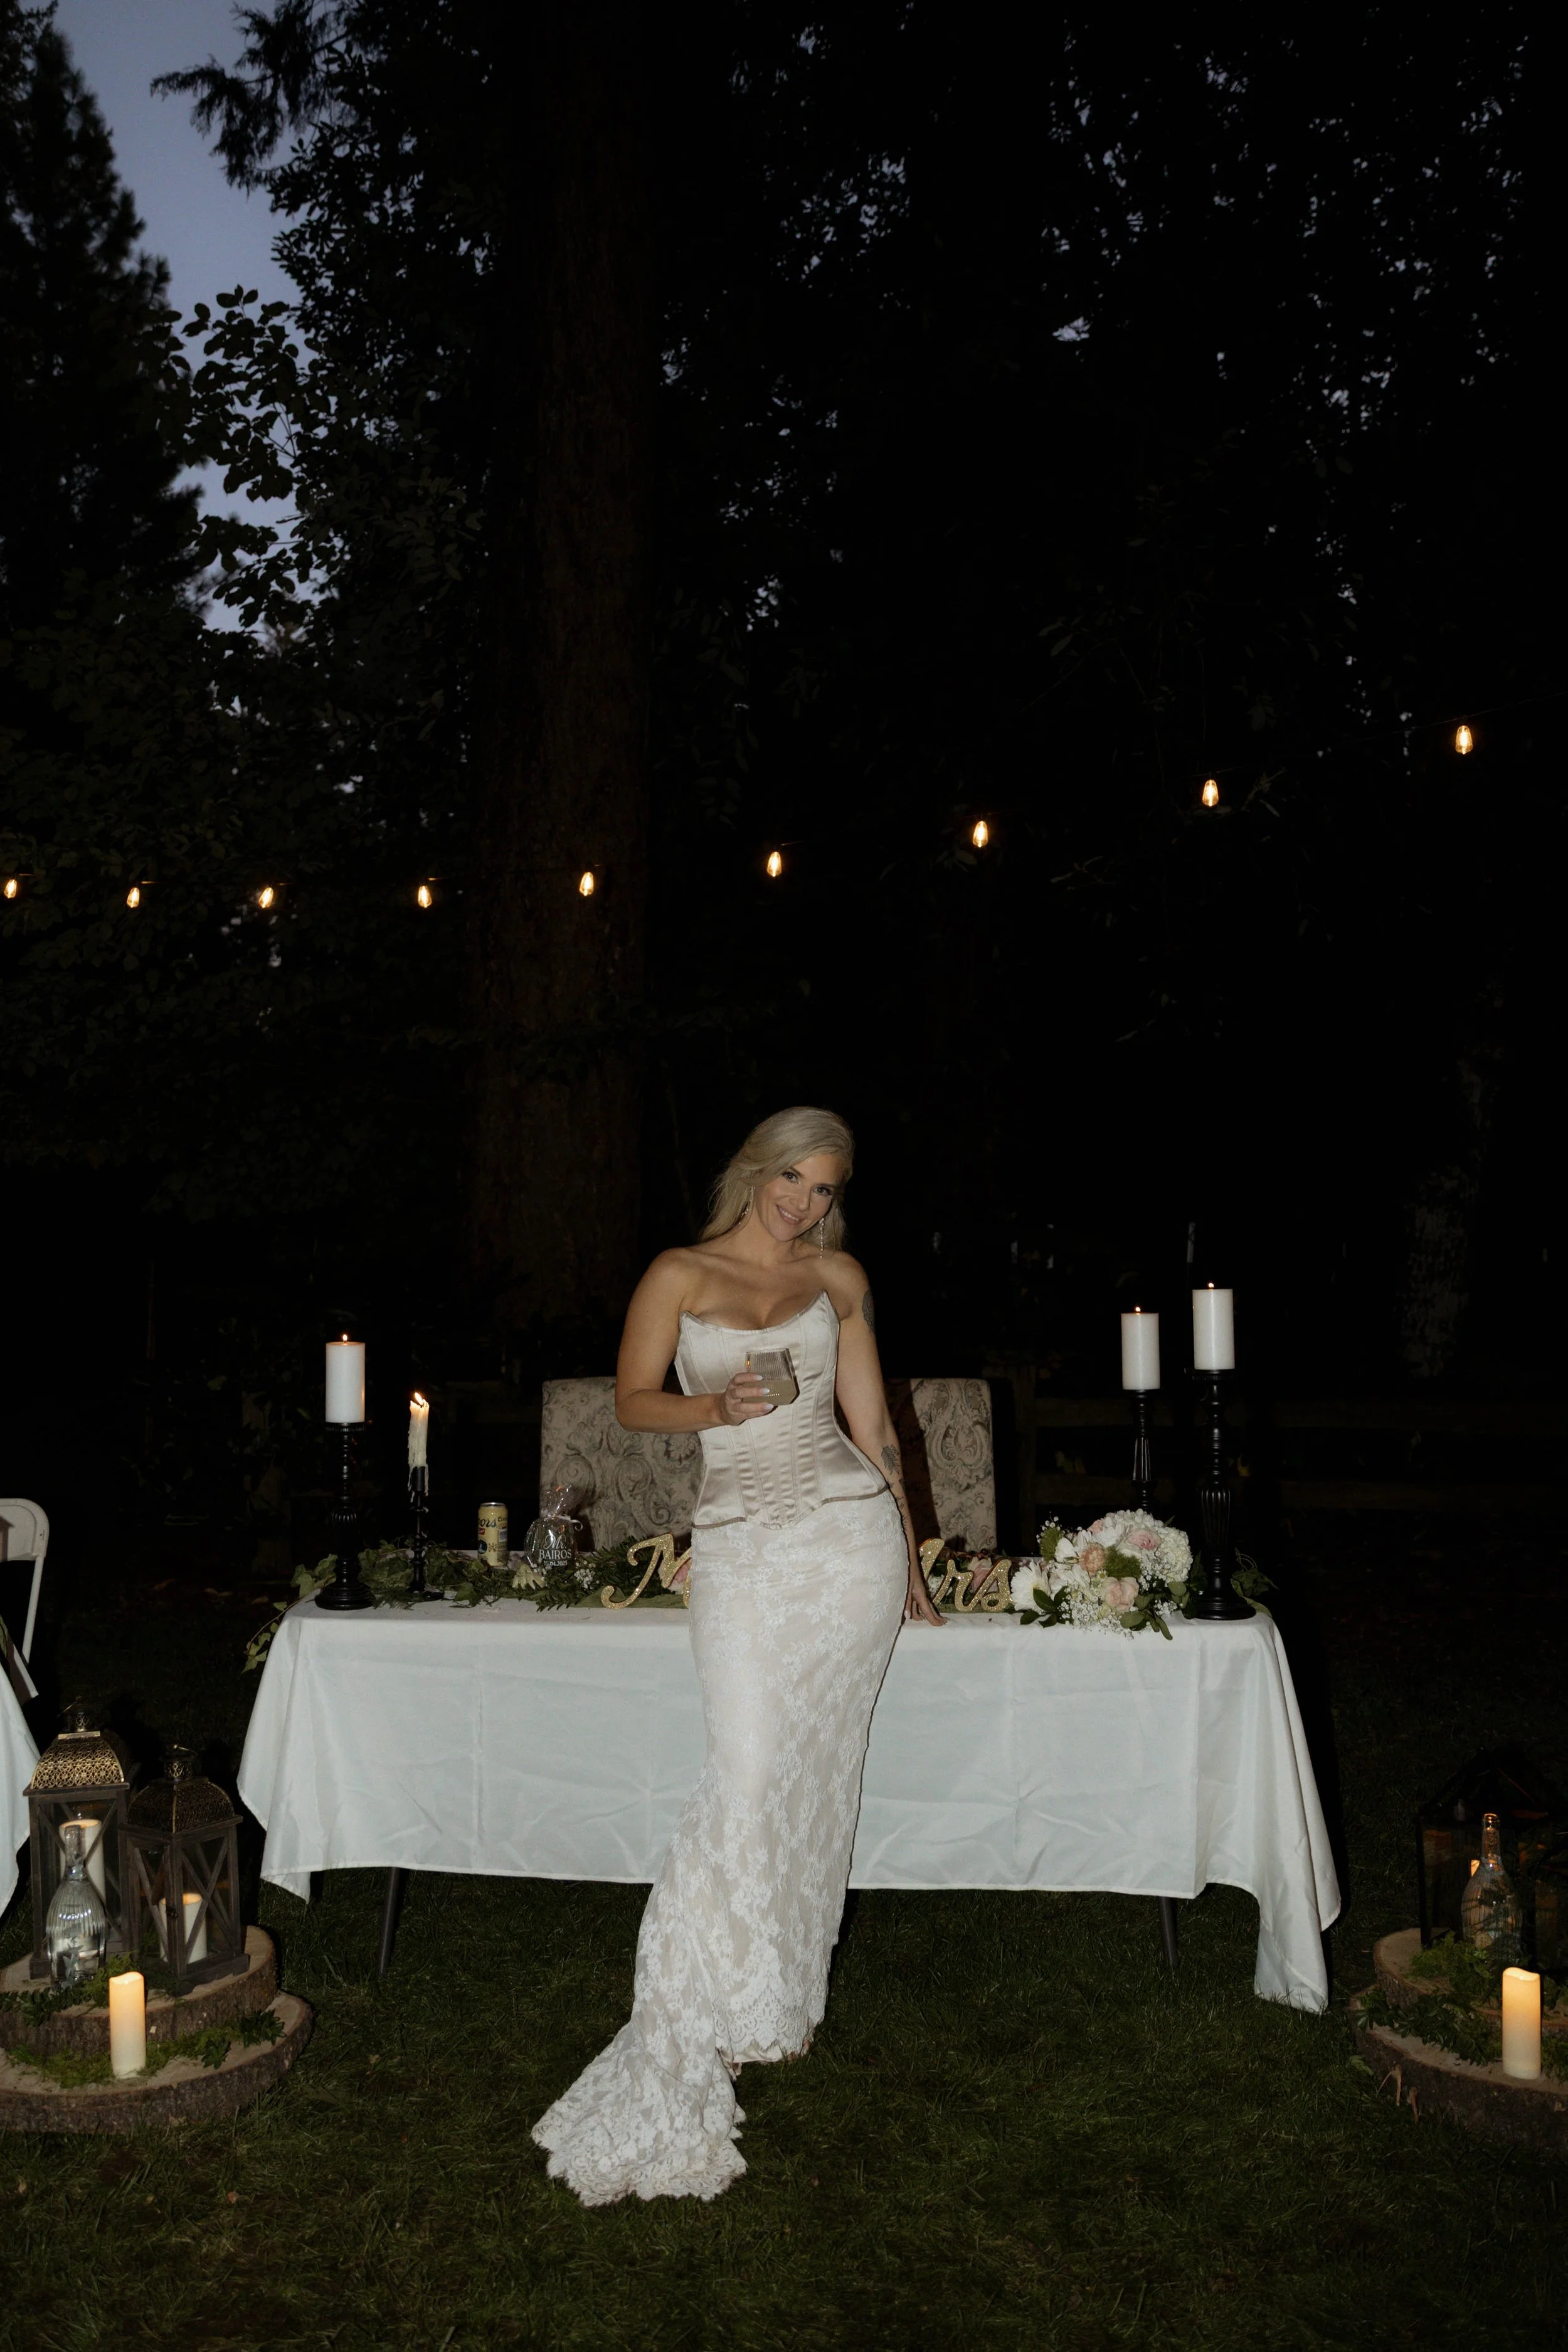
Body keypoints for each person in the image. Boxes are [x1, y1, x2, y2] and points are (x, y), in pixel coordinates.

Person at [532, 1104, 942, 2205]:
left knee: (818, 1772)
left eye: (824, 1188)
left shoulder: (840, 1279)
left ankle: (776, 2002)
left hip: (847, 1542)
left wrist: (908, 1557)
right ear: (755, 1170)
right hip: (744, 1553)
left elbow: (878, 1433)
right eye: (792, 1180)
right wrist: (718, 1401)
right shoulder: (677, 1270)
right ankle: (693, 2005)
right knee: (750, 1770)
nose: (804, 1203)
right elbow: (630, 1402)